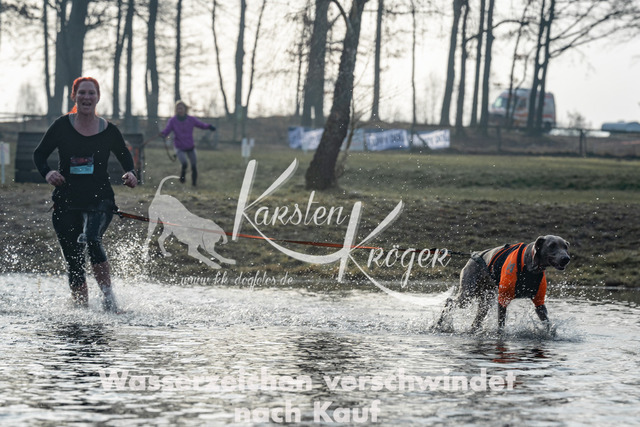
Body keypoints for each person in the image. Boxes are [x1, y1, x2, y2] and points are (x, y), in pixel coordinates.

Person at [33, 77, 138, 312]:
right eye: (82, 93)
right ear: (74, 96)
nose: (86, 97)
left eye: (91, 93)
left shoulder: (109, 130)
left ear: (98, 98)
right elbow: (39, 154)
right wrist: (48, 173)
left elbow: (125, 156)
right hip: (67, 199)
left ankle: (109, 299)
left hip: (100, 198)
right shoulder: (61, 126)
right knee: (74, 259)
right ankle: (81, 311)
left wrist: (130, 173)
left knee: (91, 238)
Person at [159, 100, 216, 186]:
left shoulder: (191, 119)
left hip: (190, 146)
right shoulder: (173, 121)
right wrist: (163, 134)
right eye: (178, 109)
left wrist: (209, 127)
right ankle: (182, 176)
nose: (180, 110)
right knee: (184, 163)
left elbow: (201, 125)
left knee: (194, 165)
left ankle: (194, 184)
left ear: (185, 109)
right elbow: (167, 130)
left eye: (181, 108)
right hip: (179, 146)